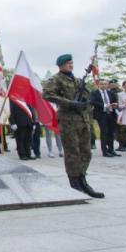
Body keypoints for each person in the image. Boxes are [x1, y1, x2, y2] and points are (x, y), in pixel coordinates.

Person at [43, 54, 103, 198]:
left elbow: (88, 98)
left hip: (82, 119)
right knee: (72, 153)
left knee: (86, 152)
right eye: (68, 63)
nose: (71, 65)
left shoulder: (77, 80)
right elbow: (47, 95)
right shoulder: (55, 79)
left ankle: (83, 180)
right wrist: (70, 103)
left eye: (72, 63)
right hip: (67, 120)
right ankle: (74, 182)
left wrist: (85, 102)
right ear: (61, 65)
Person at [90, 79, 120, 157]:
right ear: (99, 85)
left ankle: (111, 149)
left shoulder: (110, 92)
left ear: (107, 85)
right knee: (104, 132)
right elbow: (92, 102)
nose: (104, 85)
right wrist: (104, 105)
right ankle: (105, 151)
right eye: (102, 84)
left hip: (111, 114)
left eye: (105, 84)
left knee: (111, 132)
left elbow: (115, 100)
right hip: (101, 115)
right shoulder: (94, 93)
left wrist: (115, 104)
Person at [109, 79, 126, 152]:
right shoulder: (108, 92)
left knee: (123, 129)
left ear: (117, 84)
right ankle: (120, 144)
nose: (113, 85)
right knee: (116, 130)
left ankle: (125, 145)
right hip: (113, 112)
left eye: (115, 83)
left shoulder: (121, 92)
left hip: (121, 112)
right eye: (111, 83)